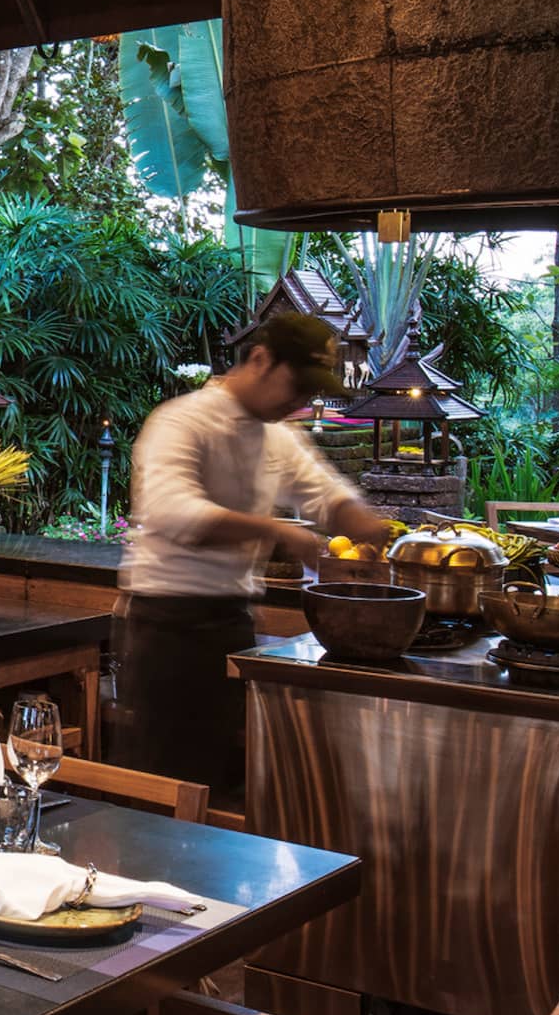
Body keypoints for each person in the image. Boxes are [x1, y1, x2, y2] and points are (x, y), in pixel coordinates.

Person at [112, 313, 388, 807]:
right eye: (296, 385)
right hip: (167, 630)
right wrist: (276, 530)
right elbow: (173, 512)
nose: (300, 402)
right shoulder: (181, 420)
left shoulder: (277, 435)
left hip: (232, 627)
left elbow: (325, 494)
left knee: (224, 790)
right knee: (168, 791)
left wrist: (374, 528)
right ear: (260, 359)